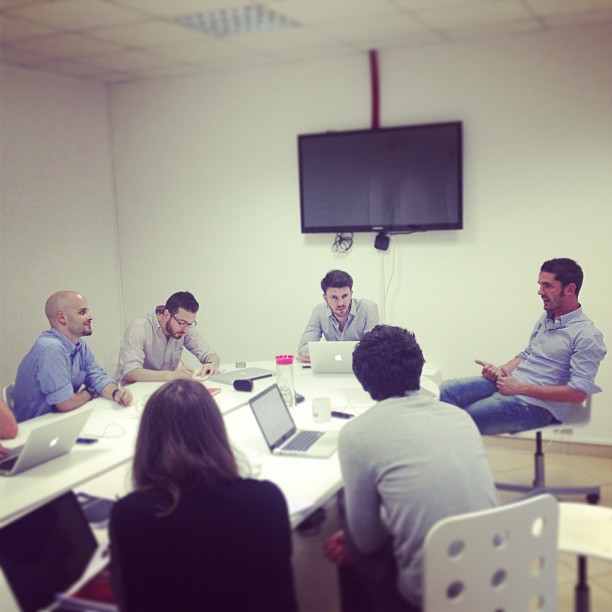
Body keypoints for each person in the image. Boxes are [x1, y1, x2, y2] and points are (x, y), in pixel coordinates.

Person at [324, 325, 497, 611]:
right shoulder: (460, 418)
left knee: (347, 514)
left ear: (364, 382)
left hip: (429, 598)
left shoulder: (356, 435)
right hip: (498, 580)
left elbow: (367, 543)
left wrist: (354, 538)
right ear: (419, 368)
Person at [109, 380, 297, 612]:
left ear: (149, 440)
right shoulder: (267, 500)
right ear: (217, 431)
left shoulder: (129, 516)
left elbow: (129, 599)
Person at [440, 258, 607, 435]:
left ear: (570, 289)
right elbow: (528, 353)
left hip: (537, 407)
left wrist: (522, 388)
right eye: (540, 285)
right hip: (510, 384)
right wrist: (500, 370)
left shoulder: (587, 335)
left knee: (462, 420)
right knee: (445, 391)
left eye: (547, 286)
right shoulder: (547, 317)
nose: (540, 292)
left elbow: (578, 393)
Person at [12, 291, 132, 423]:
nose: (90, 317)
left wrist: (116, 393)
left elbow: (97, 377)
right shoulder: (51, 348)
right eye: (82, 312)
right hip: (36, 428)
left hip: (61, 420)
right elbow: (65, 403)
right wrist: (91, 392)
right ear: (62, 318)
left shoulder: (79, 345)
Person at [117, 291, 220, 383]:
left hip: (164, 391)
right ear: (166, 314)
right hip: (133, 393)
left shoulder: (184, 326)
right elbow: (129, 373)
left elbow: (211, 354)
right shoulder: (139, 327)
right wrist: (171, 375)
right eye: (182, 323)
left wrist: (211, 364)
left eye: (190, 324)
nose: (185, 329)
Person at [297, 270, 379, 362]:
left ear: (351, 294)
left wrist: (322, 355)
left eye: (344, 296)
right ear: (325, 298)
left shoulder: (368, 308)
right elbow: (303, 349)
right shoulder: (319, 311)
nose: (340, 303)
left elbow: (373, 349)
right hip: (332, 367)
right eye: (334, 297)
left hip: (360, 369)